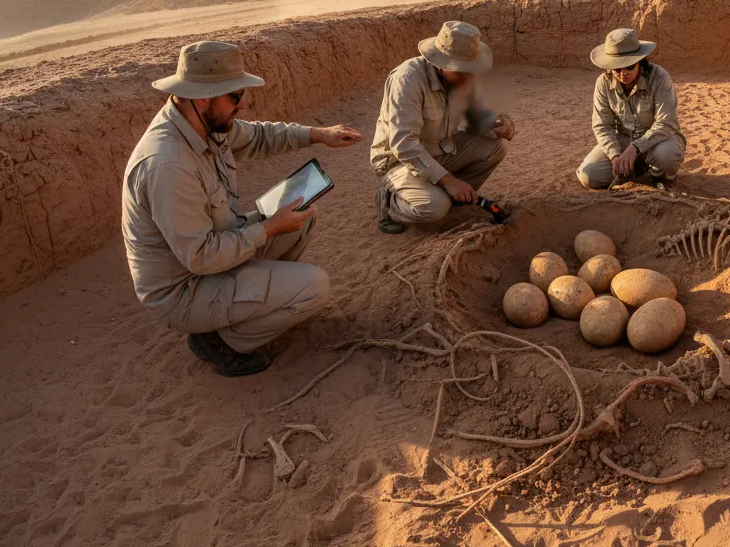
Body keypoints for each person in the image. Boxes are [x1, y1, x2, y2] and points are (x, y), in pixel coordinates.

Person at [122, 40, 362, 377]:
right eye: (235, 95)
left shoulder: (202, 123)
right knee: (315, 287)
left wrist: (319, 135)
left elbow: (260, 137)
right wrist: (269, 228)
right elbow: (201, 257)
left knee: (303, 214)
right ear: (203, 95)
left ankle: (250, 300)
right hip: (185, 289)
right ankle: (220, 340)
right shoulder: (167, 165)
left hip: (217, 247)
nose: (244, 104)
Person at [371, 21, 515, 234]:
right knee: (433, 208)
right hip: (399, 161)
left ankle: (448, 194)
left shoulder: (461, 77)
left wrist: (501, 126)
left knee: (497, 146)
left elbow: (477, 119)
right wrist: (448, 180)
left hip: (440, 150)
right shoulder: (408, 79)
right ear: (441, 62)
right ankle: (390, 200)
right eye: (462, 70)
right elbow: (404, 144)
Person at [577, 28, 686, 191]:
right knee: (589, 176)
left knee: (666, 156)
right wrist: (614, 155)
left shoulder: (659, 77)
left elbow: (666, 123)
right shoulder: (603, 83)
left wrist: (635, 147)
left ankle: (660, 176)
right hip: (623, 141)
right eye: (617, 69)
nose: (623, 73)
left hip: (658, 140)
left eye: (629, 66)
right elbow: (602, 126)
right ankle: (635, 168)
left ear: (640, 61)